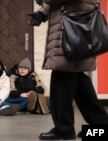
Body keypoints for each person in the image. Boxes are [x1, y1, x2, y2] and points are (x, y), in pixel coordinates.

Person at [28, 0, 108, 140]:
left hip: (74, 36)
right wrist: (42, 13)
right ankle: (100, 128)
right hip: (75, 36)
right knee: (80, 85)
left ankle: (64, 130)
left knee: (61, 83)